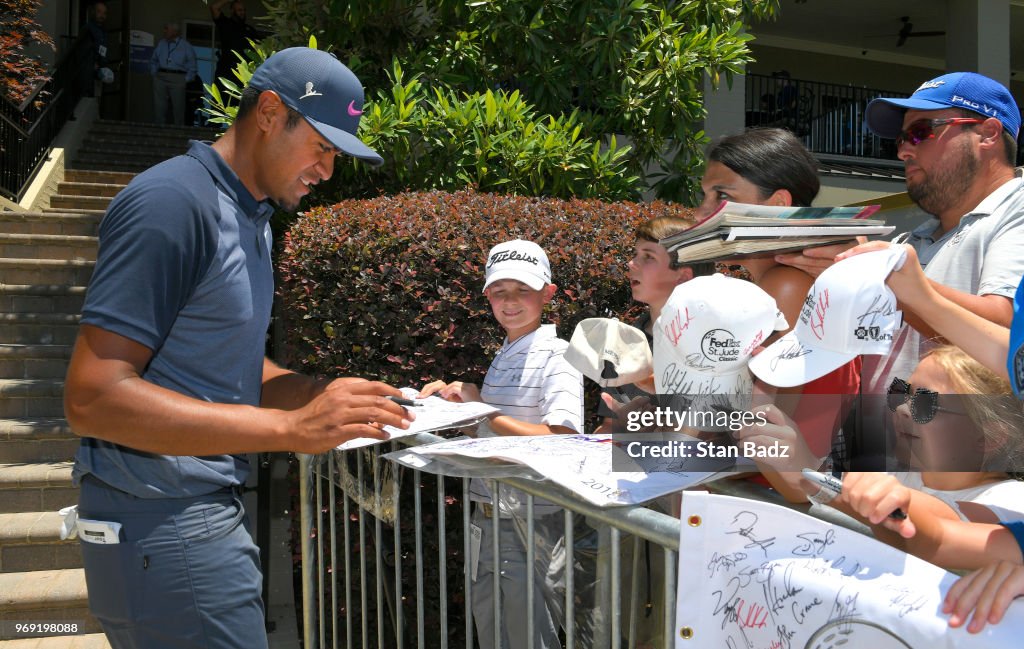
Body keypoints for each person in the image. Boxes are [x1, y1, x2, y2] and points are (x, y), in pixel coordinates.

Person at [63, 47, 410, 649]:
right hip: (165, 525)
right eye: (322, 147)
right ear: (271, 113)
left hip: (192, 520)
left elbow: (227, 367)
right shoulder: (173, 203)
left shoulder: (248, 215)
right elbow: (93, 398)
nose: (327, 171)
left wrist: (319, 397)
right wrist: (291, 430)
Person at [418, 239, 584, 649]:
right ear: (487, 294)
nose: (509, 301)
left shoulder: (559, 354)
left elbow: (562, 437)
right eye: (499, 291)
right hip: (489, 519)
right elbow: (496, 431)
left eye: (522, 290)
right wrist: (451, 408)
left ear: (548, 294)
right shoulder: (508, 351)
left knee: (528, 638)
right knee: (494, 634)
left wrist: (484, 409)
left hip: (531, 523)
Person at [694, 128, 859, 499]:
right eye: (704, 195)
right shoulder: (777, 284)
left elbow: (752, 430)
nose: (702, 213)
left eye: (722, 196)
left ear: (778, 204)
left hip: (777, 508)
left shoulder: (786, 287)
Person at [210, 0, 264, 93]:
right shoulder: (225, 23)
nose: (242, 12)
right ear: (232, 11)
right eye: (239, 10)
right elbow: (214, 7)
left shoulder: (250, 29)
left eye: (244, 10)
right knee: (223, 98)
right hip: (226, 70)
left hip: (244, 72)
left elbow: (260, 48)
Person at [150, 23, 197, 125]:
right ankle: (158, 130)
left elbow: (192, 65)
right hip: (160, 76)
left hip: (178, 77)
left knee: (178, 106)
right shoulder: (161, 43)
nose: (164, 31)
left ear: (175, 32)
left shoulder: (185, 46)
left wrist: (184, 80)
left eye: (167, 29)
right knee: (159, 105)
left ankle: (178, 131)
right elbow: (154, 60)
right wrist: (155, 74)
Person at [78, 1, 108, 98]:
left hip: (99, 71)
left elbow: (103, 50)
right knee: (88, 99)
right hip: (88, 71)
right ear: (93, 12)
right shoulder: (88, 29)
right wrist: (92, 63)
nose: (102, 15)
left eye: (104, 13)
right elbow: (82, 50)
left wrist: (103, 64)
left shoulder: (103, 31)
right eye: (99, 12)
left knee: (96, 99)